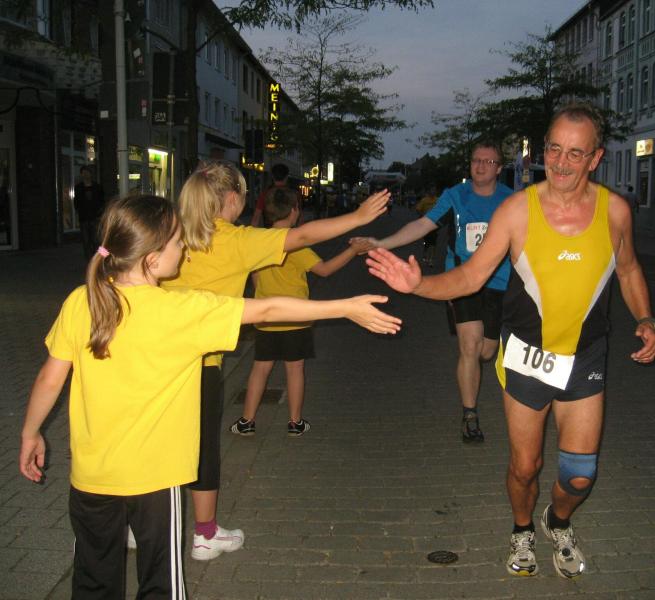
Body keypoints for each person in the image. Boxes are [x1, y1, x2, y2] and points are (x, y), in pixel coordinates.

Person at [18, 195, 400, 599]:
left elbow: (49, 378)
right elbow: (267, 311)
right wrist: (345, 307)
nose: (184, 247)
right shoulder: (182, 311)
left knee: (93, 580)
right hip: (155, 480)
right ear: (152, 258)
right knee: (160, 583)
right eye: (177, 241)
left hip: (91, 478)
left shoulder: (83, 300)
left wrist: (30, 433)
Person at [366, 102, 655, 579]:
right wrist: (418, 285)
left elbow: (627, 270)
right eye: (554, 149)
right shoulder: (518, 210)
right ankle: (522, 528)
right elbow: (470, 277)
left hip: (585, 357)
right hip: (526, 357)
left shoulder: (616, 212)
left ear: (596, 158)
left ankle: (557, 521)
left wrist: (645, 318)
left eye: (575, 153)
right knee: (526, 467)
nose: (561, 163)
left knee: (579, 475)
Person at [161, 161, 390, 561]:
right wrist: (356, 217)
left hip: (153, 355)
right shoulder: (235, 239)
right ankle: (204, 535)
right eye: (243, 196)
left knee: (158, 440)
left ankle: (138, 522)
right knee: (201, 450)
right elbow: (301, 236)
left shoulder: (171, 232)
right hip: (199, 364)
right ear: (231, 199)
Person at [355, 142, 513, 443]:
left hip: (499, 282)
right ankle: (470, 415)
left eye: (488, 161)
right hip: (461, 280)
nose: (480, 166)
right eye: (476, 160)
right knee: (470, 346)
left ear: (499, 168)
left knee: (486, 351)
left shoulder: (512, 200)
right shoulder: (455, 196)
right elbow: (422, 225)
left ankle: (479, 366)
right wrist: (381, 243)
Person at [230, 188, 373, 437]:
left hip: (265, 317)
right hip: (297, 318)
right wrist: (352, 251)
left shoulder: (258, 241)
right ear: (294, 211)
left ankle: (247, 421)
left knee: (260, 368)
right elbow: (325, 270)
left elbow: (254, 278)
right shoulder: (294, 245)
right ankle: (295, 423)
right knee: (295, 369)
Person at [73, 165, 105, 260]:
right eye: (83, 173)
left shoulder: (97, 187)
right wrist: (79, 211)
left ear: (91, 174)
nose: (85, 175)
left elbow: (102, 201)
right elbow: (76, 202)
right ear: (81, 175)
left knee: (97, 241)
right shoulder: (78, 188)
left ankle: (103, 257)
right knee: (86, 241)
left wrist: (99, 213)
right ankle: (90, 260)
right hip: (84, 218)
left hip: (95, 218)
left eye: (87, 172)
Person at [252, 163, 294, 227]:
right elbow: (299, 218)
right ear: (287, 177)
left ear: (272, 177)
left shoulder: (265, 194)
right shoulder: (294, 195)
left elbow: (256, 218)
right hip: (289, 231)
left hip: (270, 231)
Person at [414, 187, 439, 266]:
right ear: (429, 191)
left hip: (434, 224)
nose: (433, 192)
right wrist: (423, 216)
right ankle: (425, 253)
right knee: (427, 242)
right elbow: (417, 209)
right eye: (432, 190)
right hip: (426, 224)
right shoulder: (424, 200)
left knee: (433, 243)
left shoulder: (438, 200)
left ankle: (431, 260)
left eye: (434, 190)